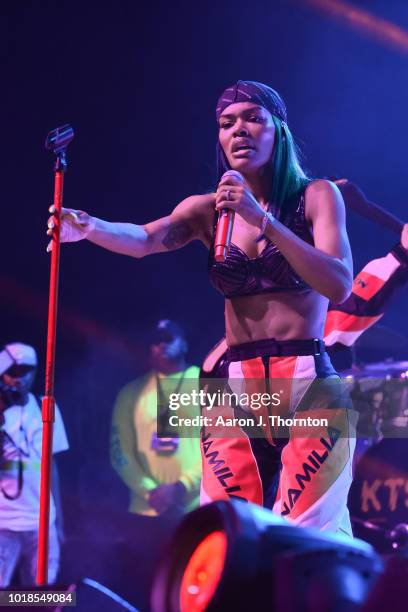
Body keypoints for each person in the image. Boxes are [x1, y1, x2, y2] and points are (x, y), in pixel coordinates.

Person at [49, 80, 355, 535]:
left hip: (305, 381)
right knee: (228, 536)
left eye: (253, 118)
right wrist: (89, 227)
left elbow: (340, 284)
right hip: (234, 386)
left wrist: (263, 221)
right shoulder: (208, 212)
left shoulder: (317, 196)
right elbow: (145, 239)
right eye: (226, 123)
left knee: (307, 536)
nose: (239, 131)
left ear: (279, 131)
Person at [110, 319, 201, 610]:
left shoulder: (206, 382)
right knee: (143, 593)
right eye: (155, 340)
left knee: (190, 591)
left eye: (168, 338)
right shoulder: (131, 393)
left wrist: (182, 485)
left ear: (184, 343)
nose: (161, 344)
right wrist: (149, 490)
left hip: (194, 510)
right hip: (145, 514)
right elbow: (119, 451)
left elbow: (220, 445)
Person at [0, 342, 68, 586]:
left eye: (25, 372)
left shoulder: (45, 408)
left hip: (41, 522)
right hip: (3, 523)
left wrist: (58, 521)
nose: (19, 379)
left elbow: (53, 468)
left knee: (42, 595)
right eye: (13, 373)